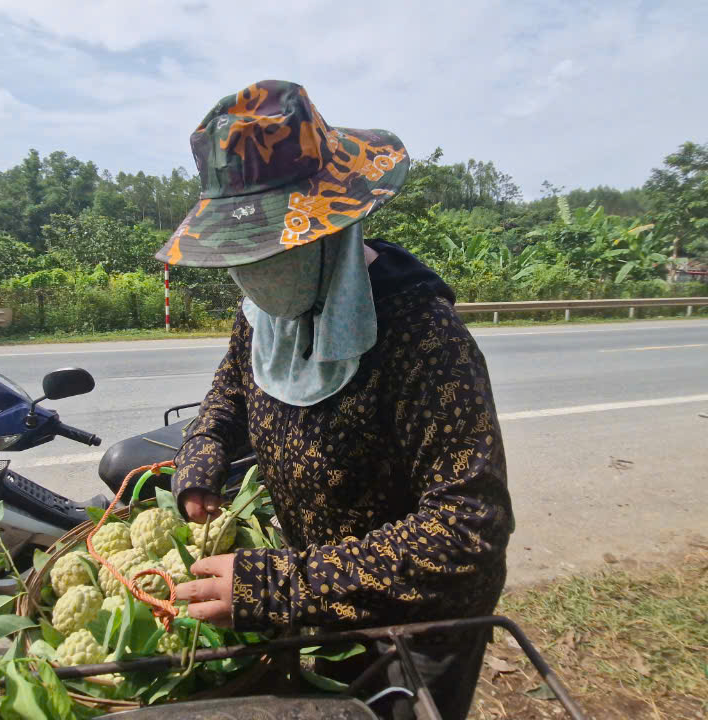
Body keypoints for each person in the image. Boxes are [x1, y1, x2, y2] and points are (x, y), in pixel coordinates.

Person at [159, 80, 514, 720]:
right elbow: (229, 396)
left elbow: (468, 529)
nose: (256, 274)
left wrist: (282, 584)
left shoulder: (420, 333)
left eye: (274, 250)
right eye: (243, 257)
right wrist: (203, 455)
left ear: (331, 228)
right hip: (319, 604)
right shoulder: (262, 315)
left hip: (411, 624)